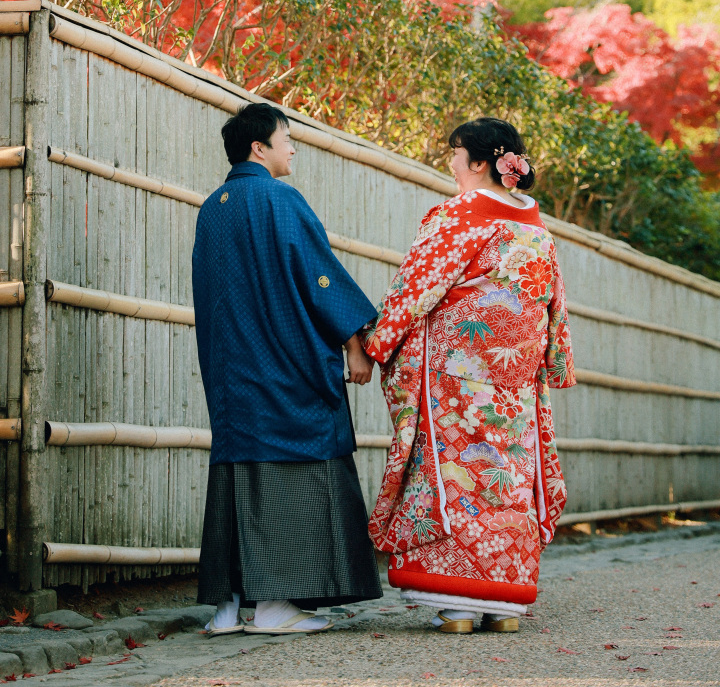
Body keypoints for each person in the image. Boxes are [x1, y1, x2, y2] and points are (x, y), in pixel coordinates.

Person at [362, 117, 576, 635]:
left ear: (479, 163)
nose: (452, 164)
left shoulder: (460, 215)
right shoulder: (535, 225)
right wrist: (555, 363)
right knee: (509, 477)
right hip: (515, 376)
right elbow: (552, 304)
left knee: (455, 473)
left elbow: (417, 286)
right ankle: (505, 605)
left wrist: (378, 343)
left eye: (455, 154)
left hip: (457, 374)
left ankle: (458, 601)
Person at [192, 101, 383, 636]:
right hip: (282, 367)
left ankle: (226, 608)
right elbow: (318, 276)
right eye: (287, 137)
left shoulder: (213, 207)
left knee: (235, 470)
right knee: (296, 458)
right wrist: (354, 342)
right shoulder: (279, 199)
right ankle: (275, 606)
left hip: (232, 371)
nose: (294, 147)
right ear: (260, 147)